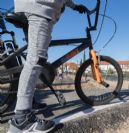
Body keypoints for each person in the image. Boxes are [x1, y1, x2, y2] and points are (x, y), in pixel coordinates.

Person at [8, 0, 88, 132]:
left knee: (34, 58)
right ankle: (22, 117)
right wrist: (75, 6)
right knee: (36, 60)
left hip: (34, 6)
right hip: (39, 7)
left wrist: (74, 6)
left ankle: (29, 101)